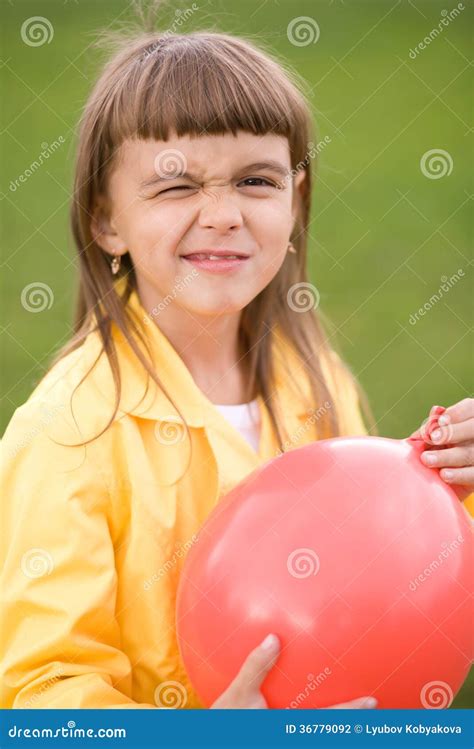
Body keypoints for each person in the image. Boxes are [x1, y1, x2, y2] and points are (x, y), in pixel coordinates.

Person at [1, 25, 473, 710]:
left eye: (255, 181)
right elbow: (44, 694)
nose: (221, 215)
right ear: (106, 219)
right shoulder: (63, 435)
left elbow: (383, 569)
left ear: (295, 199)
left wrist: (451, 487)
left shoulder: (314, 377)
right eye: (175, 187)